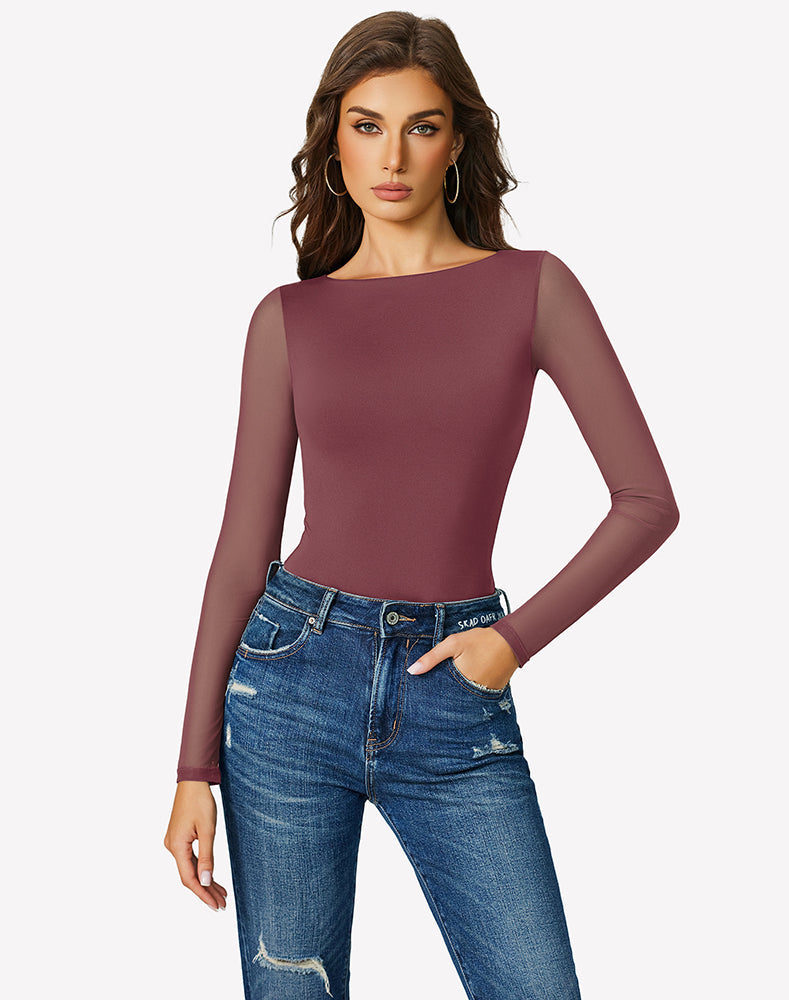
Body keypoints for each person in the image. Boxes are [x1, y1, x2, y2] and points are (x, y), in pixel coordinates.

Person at [164, 11, 679, 999]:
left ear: (457, 142)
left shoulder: (533, 289)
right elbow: (242, 550)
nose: (391, 157)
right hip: (287, 686)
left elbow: (646, 501)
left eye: (420, 127)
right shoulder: (290, 318)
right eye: (367, 127)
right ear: (333, 145)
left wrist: (512, 641)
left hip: (456, 691)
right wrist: (194, 765)